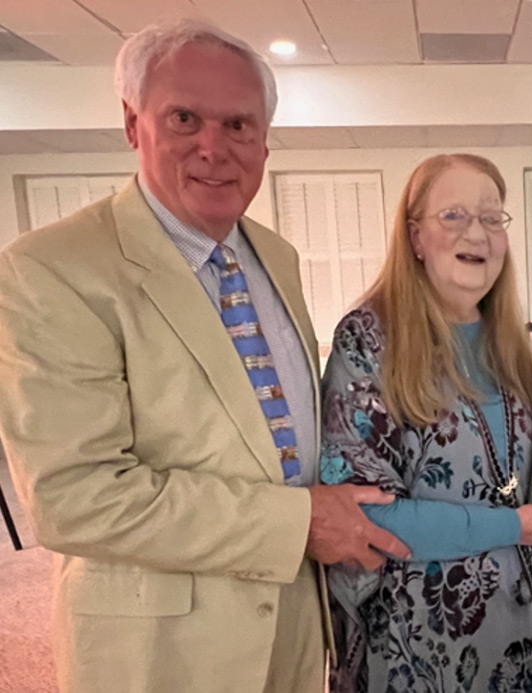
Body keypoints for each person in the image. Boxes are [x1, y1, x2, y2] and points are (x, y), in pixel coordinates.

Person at [0, 18, 407, 692]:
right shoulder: (51, 269)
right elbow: (76, 497)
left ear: (265, 142)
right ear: (134, 124)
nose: (214, 148)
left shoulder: (275, 255)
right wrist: (298, 521)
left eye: (239, 125)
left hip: (296, 623)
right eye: (185, 118)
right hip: (164, 649)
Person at [318, 153, 532, 692]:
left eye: (493, 218)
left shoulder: (516, 346)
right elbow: (364, 518)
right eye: (453, 215)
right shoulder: (368, 340)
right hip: (418, 648)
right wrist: (518, 526)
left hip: (526, 631)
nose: (477, 232)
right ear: (415, 237)